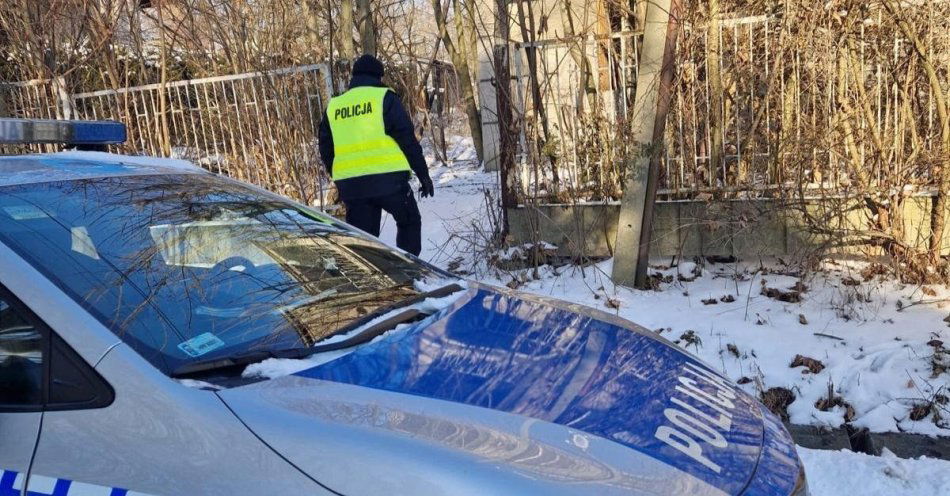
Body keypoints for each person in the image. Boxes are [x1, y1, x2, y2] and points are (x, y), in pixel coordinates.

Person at [318, 54, 434, 257]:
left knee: (365, 241)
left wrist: (338, 175)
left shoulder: (335, 106)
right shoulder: (385, 99)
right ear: (378, 77)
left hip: (353, 186)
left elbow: (326, 147)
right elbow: (407, 140)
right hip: (389, 183)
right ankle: (408, 272)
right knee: (409, 221)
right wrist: (423, 174)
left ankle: (373, 279)